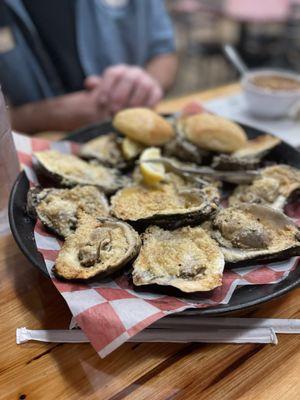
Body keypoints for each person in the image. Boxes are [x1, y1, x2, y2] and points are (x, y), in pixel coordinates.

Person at [0, 0, 178, 133]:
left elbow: (163, 51)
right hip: (29, 155)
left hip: (129, 132)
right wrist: (47, 115)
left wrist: (146, 84)